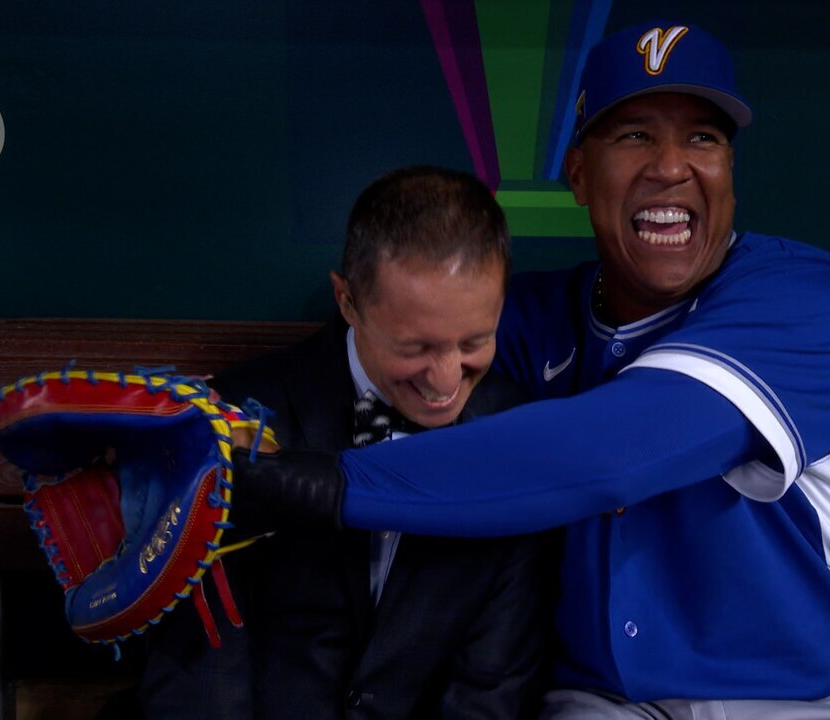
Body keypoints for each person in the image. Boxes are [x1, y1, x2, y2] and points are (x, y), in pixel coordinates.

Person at [236, 22, 830, 719]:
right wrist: (204, 430)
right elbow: (380, 345)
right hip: (606, 702)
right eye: (634, 136)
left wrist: (329, 482)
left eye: (703, 138)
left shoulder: (806, 298)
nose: (671, 166)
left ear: (730, 172)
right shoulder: (531, 319)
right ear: (579, 175)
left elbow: (615, 448)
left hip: (813, 696)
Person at [141, 166, 556, 719]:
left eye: (474, 342)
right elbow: (202, 672)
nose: (446, 380)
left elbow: (493, 687)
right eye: (415, 347)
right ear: (347, 301)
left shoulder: (519, 440)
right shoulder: (236, 419)